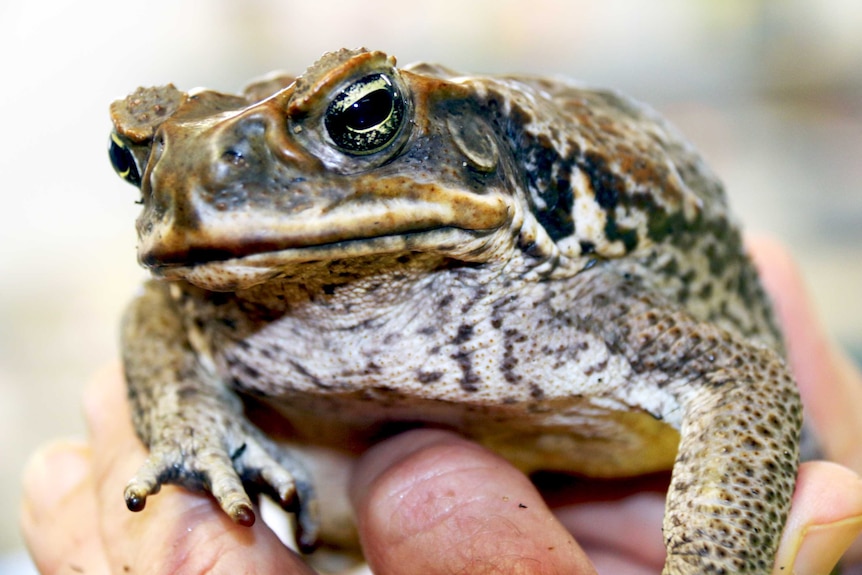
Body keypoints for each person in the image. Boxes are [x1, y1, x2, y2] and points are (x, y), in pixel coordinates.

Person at [20, 238, 862, 574]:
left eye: (358, 120)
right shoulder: (222, 294)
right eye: (136, 159)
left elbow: (743, 380)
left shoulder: (563, 285)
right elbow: (157, 314)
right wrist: (187, 423)